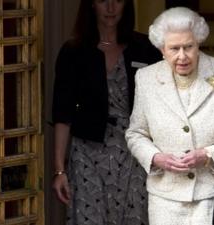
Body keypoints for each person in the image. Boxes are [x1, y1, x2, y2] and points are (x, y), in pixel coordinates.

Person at [125, 7, 214, 225]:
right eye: (174, 48)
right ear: (161, 49)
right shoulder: (146, 78)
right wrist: (155, 158)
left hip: (212, 194)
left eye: (189, 46)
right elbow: (136, 133)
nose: (182, 56)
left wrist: (209, 155)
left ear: (199, 42)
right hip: (164, 198)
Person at [51, 0, 161, 224]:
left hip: (134, 153)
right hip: (87, 154)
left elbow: (162, 104)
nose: (111, 7)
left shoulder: (145, 48)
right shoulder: (74, 51)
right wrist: (60, 170)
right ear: (91, 4)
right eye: (103, 0)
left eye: (117, 0)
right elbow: (63, 115)